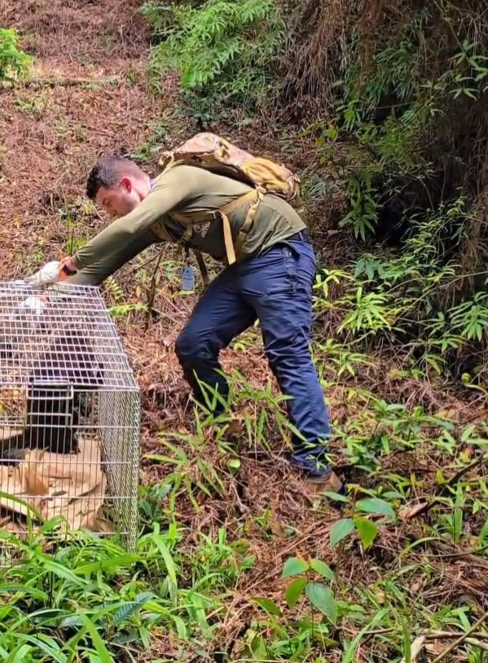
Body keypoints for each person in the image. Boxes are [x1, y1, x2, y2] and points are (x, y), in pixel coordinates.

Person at [57, 153, 340, 494]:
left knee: (287, 354)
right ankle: (223, 422)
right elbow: (110, 261)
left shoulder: (179, 179)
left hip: (279, 252)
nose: (109, 212)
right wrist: (49, 289)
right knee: (194, 344)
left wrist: (74, 260)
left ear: (127, 185)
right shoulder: (159, 220)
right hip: (242, 266)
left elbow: (127, 227)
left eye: (108, 202)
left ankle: (316, 468)